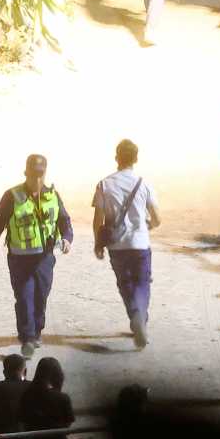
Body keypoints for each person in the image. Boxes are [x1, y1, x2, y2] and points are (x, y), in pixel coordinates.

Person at [0, 153, 76, 358]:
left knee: (41, 296)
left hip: (45, 258)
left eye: (41, 175)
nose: (37, 179)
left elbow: (64, 221)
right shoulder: (12, 196)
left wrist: (67, 239)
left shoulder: (53, 195)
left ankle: (36, 331)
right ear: (26, 173)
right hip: (19, 259)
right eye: (34, 175)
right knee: (24, 298)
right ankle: (27, 338)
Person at [93, 139, 161, 348]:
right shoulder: (144, 183)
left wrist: (98, 243)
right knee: (142, 283)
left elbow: (98, 220)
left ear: (116, 158)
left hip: (117, 246)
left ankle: (135, 315)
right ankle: (140, 316)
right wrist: (144, 227)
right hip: (140, 243)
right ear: (136, 159)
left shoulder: (104, 184)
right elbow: (157, 218)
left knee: (126, 284)